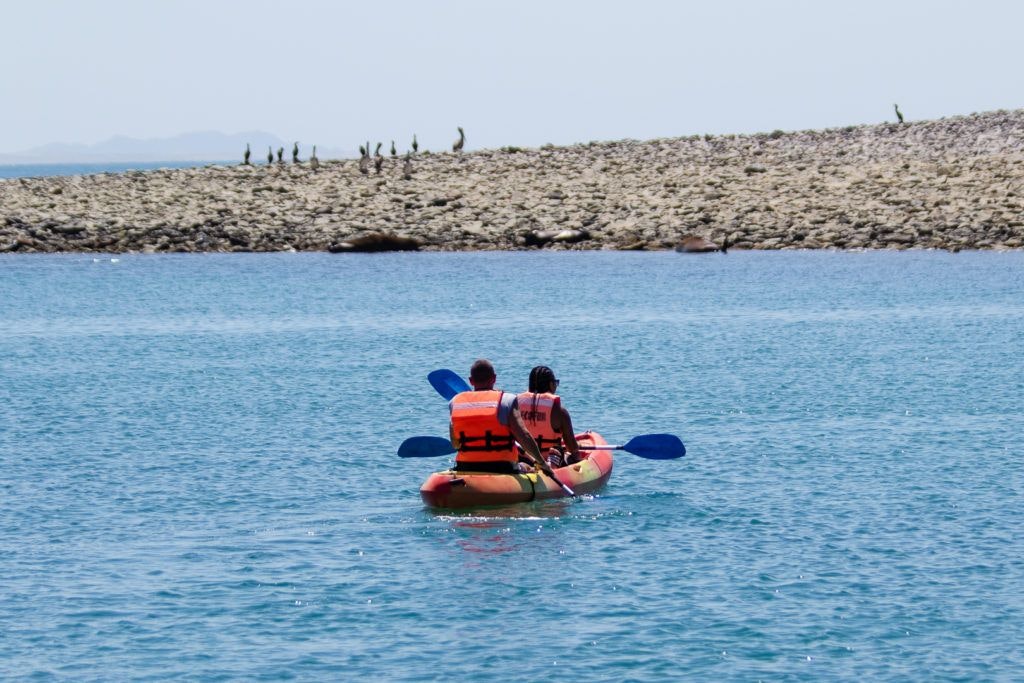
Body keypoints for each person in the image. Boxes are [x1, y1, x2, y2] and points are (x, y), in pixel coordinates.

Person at [449, 359, 554, 477]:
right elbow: (523, 435)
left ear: (471, 381)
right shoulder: (506, 400)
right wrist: (542, 462)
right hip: (503, 467)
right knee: (526, 466)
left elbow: (455, 443)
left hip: (465, 466)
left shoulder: (455, 403)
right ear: (494, 378)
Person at [518, 365, 582, 468]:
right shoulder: (560, 411)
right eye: (555, 383)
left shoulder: (515, 406)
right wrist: (578, 456)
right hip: (548, 459)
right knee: (573, 456)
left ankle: (524, 467)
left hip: (524, 458)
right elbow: (572, 448)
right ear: (551, 385)